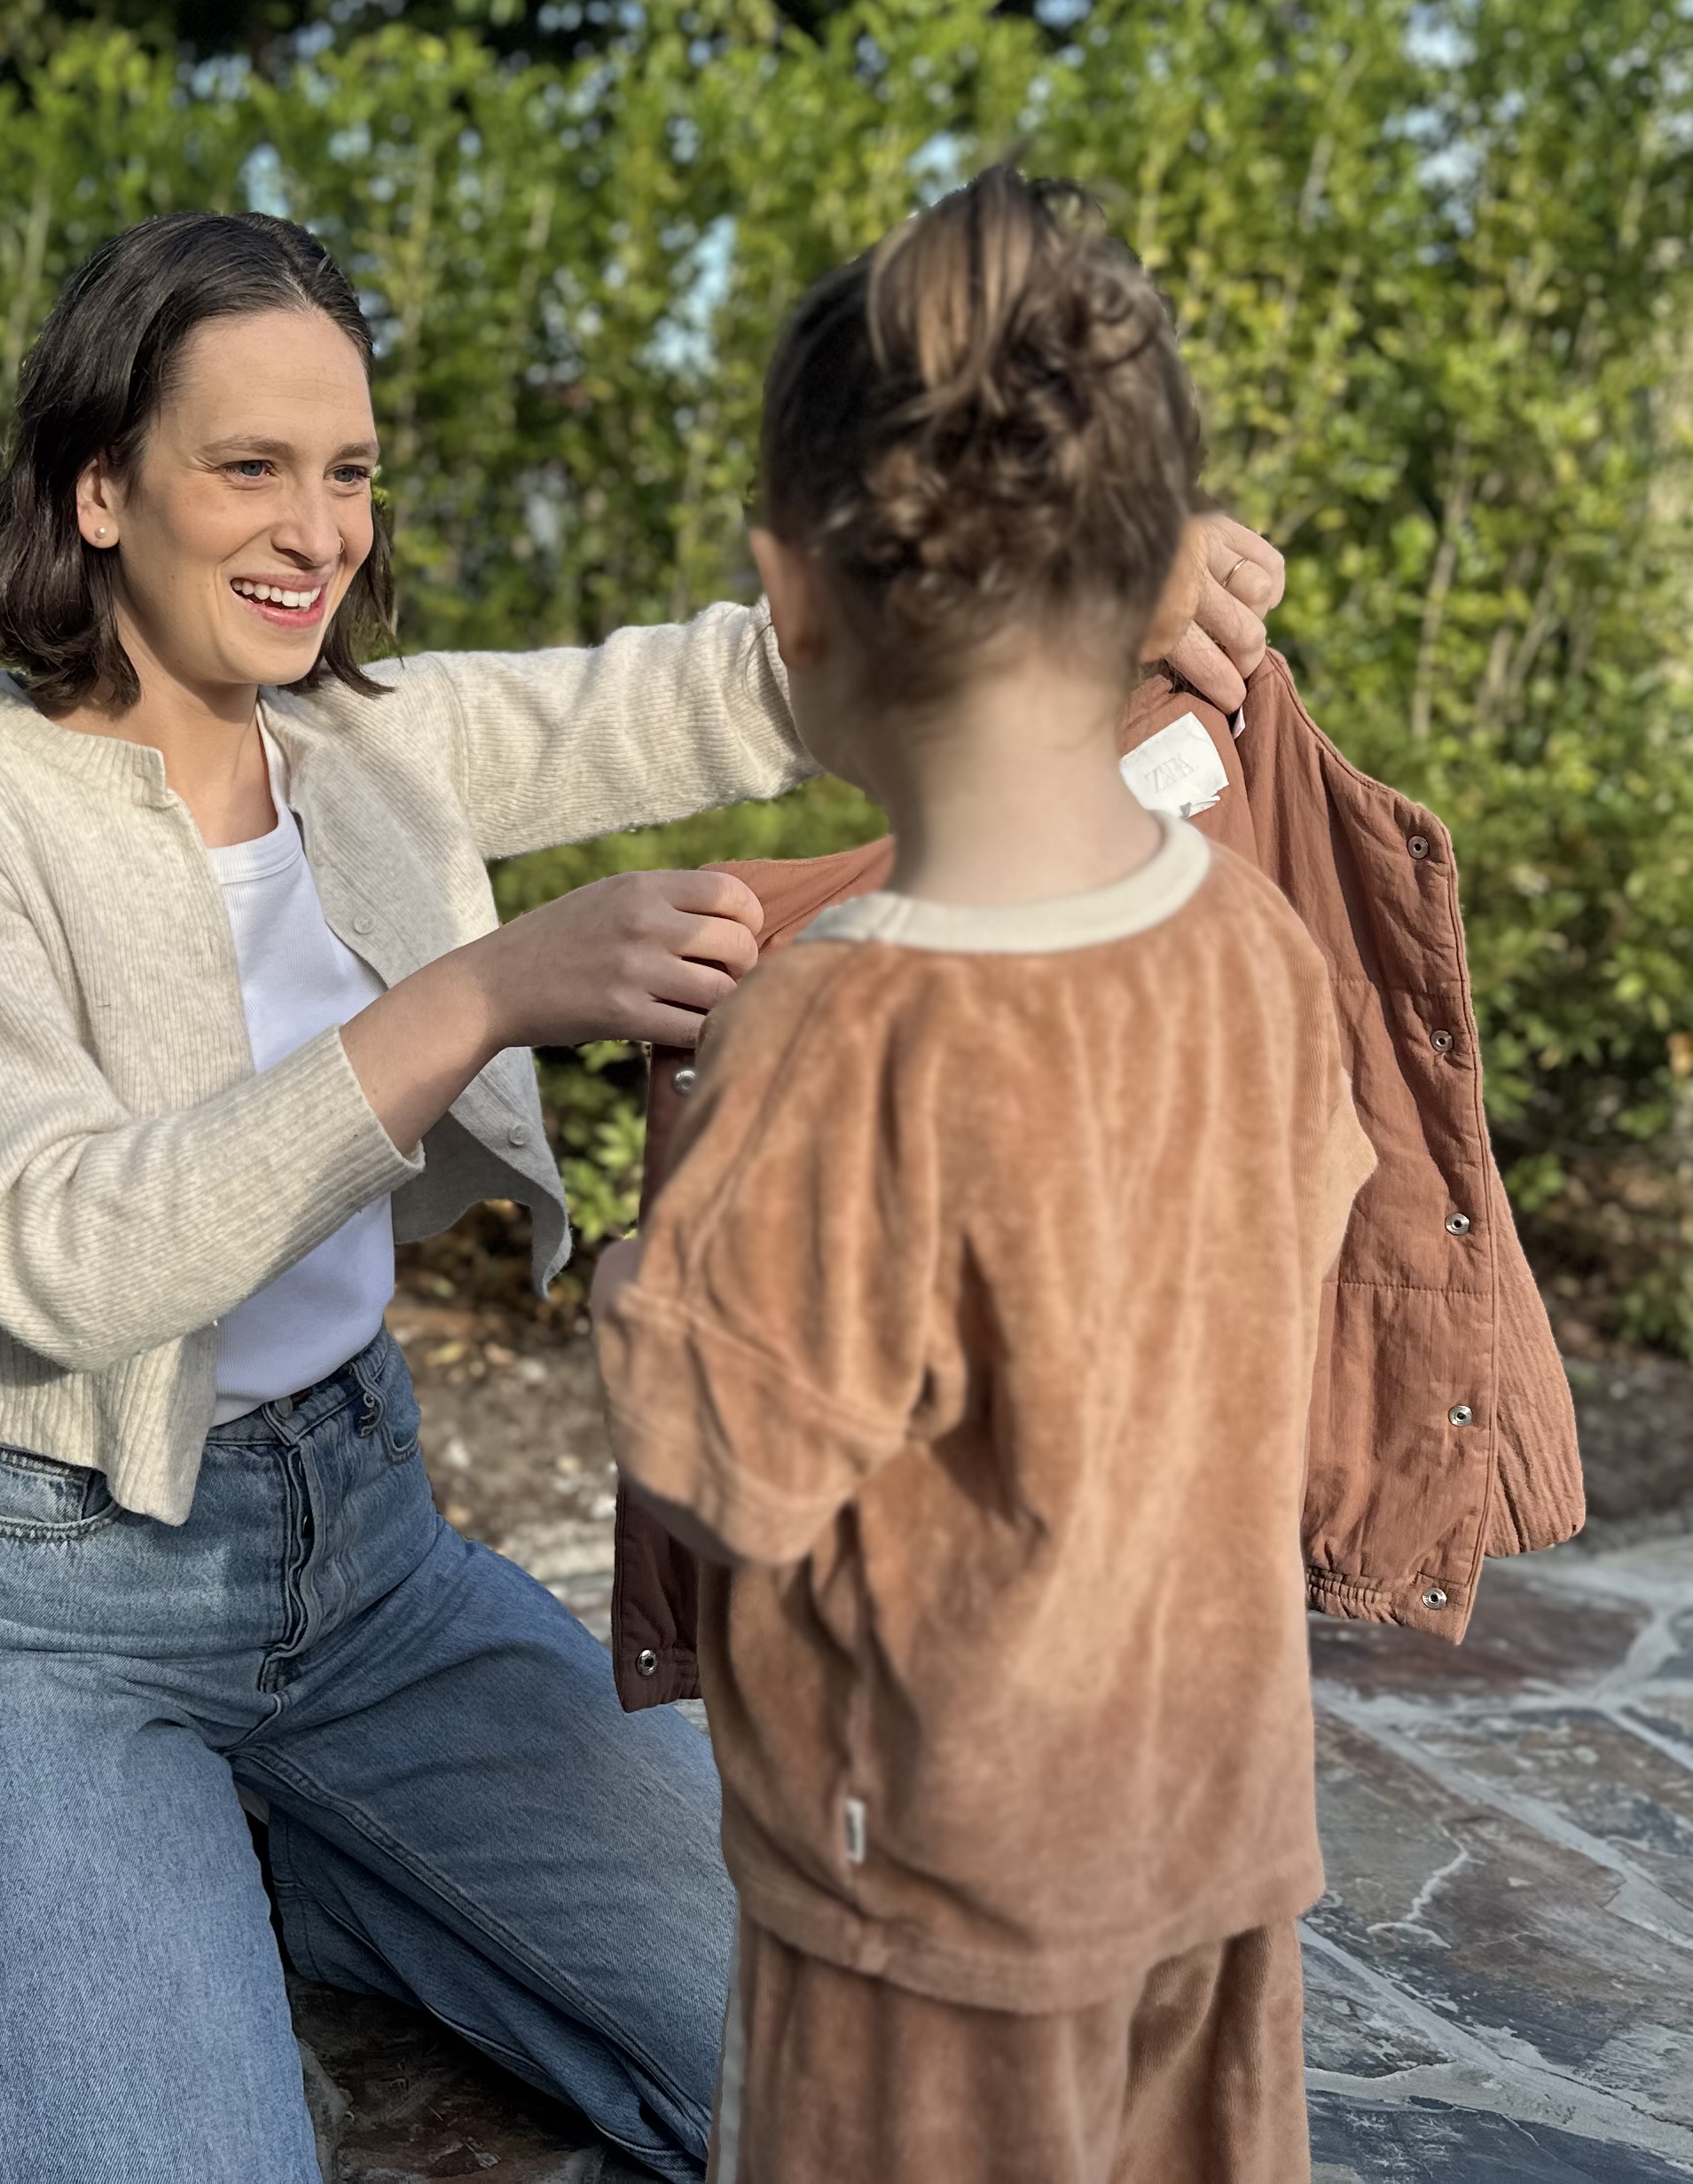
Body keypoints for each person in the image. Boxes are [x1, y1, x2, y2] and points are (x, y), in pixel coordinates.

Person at [0, 206, 1288, 2184]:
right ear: (98, 488)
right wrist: (487, 990)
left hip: (373, 1571)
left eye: (348, 473)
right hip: (57, 1613)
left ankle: (322, 1875)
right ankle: (193, 1870)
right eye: (248, 467)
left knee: (862, 2083)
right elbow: (60, 1256)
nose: (316, 531)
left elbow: (724, 686)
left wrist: (1084, 572)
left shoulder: (369, 744)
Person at [591, 169, 1373, 2184]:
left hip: (926, 1901)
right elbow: (1284, 1248)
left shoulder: (832, 1033)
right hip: (1213, 1839)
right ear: (1150, 567)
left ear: (794, 598)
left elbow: (738, 1465)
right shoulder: (1254, 944)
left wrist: (628, 1289)